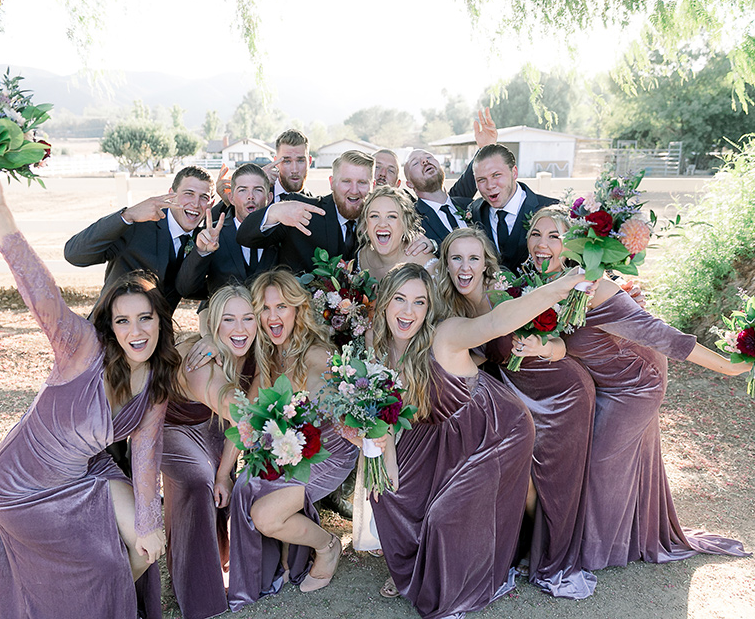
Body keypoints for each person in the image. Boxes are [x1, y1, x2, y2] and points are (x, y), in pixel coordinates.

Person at [0, 165, 174, 618]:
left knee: (146, 547)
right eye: (123, 320)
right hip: (21, 485)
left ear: (160, 320)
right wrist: (0, 215)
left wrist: (148, 522)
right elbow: (41, 294)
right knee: (101, 566)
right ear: (111, 326)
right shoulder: (82, 347)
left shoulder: (156, 384)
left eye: (145, 318)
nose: (135, 331)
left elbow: (146, 455)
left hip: (87, 473)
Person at [527, 207, 755, 570]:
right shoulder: (540, 286)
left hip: (636, 384)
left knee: (602, 463)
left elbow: (661, 335)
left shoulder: (597, 288)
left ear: (571, 244)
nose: (541, 245)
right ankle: (625, 532)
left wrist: (728, 367)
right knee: (598, 461)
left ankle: (597, 552)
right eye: (535, 235)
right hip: (601, 383)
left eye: (553, 236)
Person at [369, 262, 588, 619]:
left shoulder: (445, 335)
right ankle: (417, 569)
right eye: (400, 299)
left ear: (430, 308)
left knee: (443, 517)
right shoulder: (379, 347)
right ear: (384, 303)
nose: (408, 312)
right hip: (437, 430)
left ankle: (475, 574)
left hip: (495, 430)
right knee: (389, 492)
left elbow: (496, 323)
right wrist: (388, 457)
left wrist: (563, 285)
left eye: (420, 302)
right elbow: (386, 412)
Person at [437, 226, 598, 599]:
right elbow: (478, 354)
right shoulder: (454, 308)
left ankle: (552, 556)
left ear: (486, 264)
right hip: (519, 398)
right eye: (456, 259)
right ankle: (530, 546)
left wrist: (542, 348)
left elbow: (561, 344)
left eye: (473, 258)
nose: (465, 267)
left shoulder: (509, 292)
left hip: (562, 394)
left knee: (556, 481)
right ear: (445, 265)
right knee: (526, 479)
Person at [226, 270, 359, 610]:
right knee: (245, 487)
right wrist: (220, 473)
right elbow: (247, 420)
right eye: (265, 309)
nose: (273, 317)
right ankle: (284, 560)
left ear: (297, 310)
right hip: (291, 452)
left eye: (281, 307)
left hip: (328, 452)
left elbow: (351, 404)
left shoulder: (316, 356)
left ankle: (328, 546)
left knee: (266, 517)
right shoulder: (268, 356)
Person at [162, 285, 259, 619]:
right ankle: (199, 592)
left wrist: (224, 475)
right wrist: (251, 417)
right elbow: (230, 403)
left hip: (217, 428)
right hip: (171, 429)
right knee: (198, 480)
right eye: (229, 319)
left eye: (248, 318)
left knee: (221, 481)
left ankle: (224, 556)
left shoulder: (256, 358)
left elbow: (238, 421)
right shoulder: (199, 355)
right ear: (214, 324)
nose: (240, 328)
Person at [64, 165, 213, 311]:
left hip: (159, 333)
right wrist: (127, 216)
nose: (195, 203)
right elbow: (75, 255)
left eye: (203, 197)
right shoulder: (137, 225)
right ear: (171, 194)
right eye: (189, 193)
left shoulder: (204, 241)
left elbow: (193, 289)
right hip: (109, 329)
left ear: (210, 203)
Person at [236, 150, 375, 273]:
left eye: (362, 182)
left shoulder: (380, 221)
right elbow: (245, 236)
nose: (354, 190)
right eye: (346, 181)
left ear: (373, 185)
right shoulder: (301, 211)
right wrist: (275, 212)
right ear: (332, 183)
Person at [177, 163, 278, 305]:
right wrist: (201, 252)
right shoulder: (211, 234)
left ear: (270, 197)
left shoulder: (280, 234)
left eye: (258, 190)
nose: (250, 196)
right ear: (231, 198)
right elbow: (186, 289)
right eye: (242, 190)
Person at [404, 108, 499, 247]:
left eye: (429, 157)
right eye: (415, 163)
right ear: (409, 183)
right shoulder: (411, 219)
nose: (425, 161)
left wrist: (486, 147)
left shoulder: (468, 205)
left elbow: (472, 174)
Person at [468, 143, 558, 271]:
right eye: (481, 180)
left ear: (514, 172)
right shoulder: (474, 211)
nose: (490, 186)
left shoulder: (550, 208)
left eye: (496, 175)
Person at [357, 186, 437, 282]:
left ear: (405, 224)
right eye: (374, 216)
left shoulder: (428, 266)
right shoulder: (362, 257)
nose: (382, 224)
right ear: (366, 223)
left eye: (392, 216)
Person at [271, 128, 315, 202]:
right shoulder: (259, 197)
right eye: (287, 161)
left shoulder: (316, 204)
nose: (294, 170)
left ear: (309, 161)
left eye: (300, 161)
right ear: (276, 162)